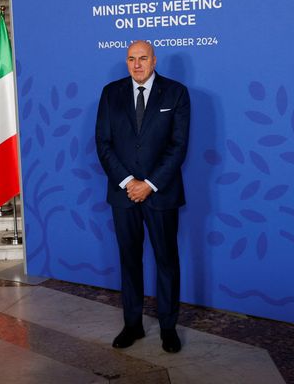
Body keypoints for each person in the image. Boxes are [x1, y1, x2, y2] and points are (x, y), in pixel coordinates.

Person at [95, 40, 190, 354]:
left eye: (143, 58)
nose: (137, 64)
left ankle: (167, 328)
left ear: (154, 60)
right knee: (129, 261)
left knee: (166, 261)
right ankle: (132, 325)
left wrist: (148, 183)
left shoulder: (176, 93)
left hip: (160, 194)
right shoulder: (111, 93)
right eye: (131, 59)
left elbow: (178, 147)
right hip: (123, 196)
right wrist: (127, 182)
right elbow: (103, 143)